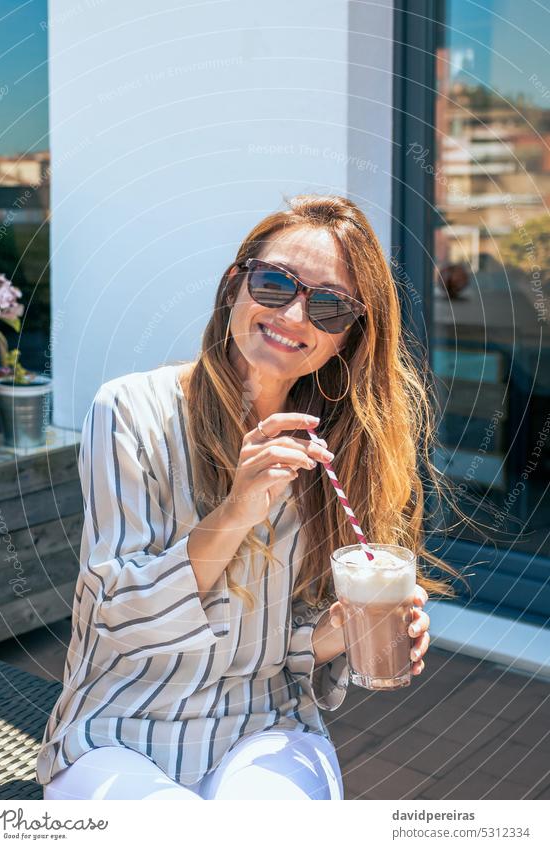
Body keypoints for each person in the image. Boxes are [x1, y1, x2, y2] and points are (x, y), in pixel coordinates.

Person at [36, 194, 459, 800]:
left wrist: (333, 634)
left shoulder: (339, 448)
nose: (293, 314)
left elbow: (280, 651)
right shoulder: (131, 411)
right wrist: (236, 511)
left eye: (330, 305)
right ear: (235, 284)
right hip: (120, 723)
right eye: (274, 282)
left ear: (349, 337)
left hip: (266, 724)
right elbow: (114, 617)